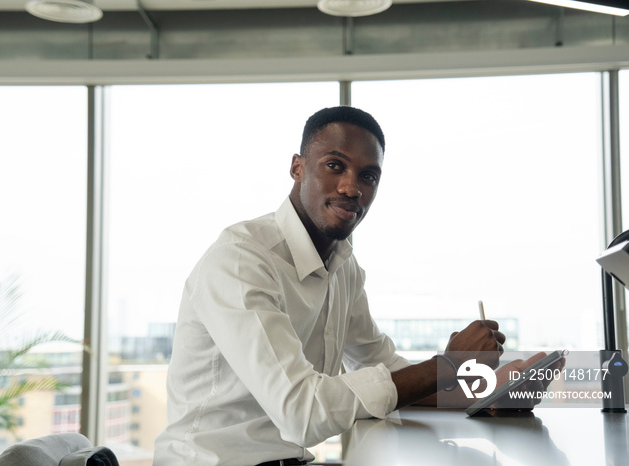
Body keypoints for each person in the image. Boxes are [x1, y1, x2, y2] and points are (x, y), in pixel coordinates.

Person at [153, 106, 557, 466]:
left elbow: (382, 369)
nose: (352, 187)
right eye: (335, 166)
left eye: (368, 175)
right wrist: (447, 367)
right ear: (297, 167)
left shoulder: (343, 265)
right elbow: (302, 411)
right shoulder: (242, 259)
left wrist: (484, 392)